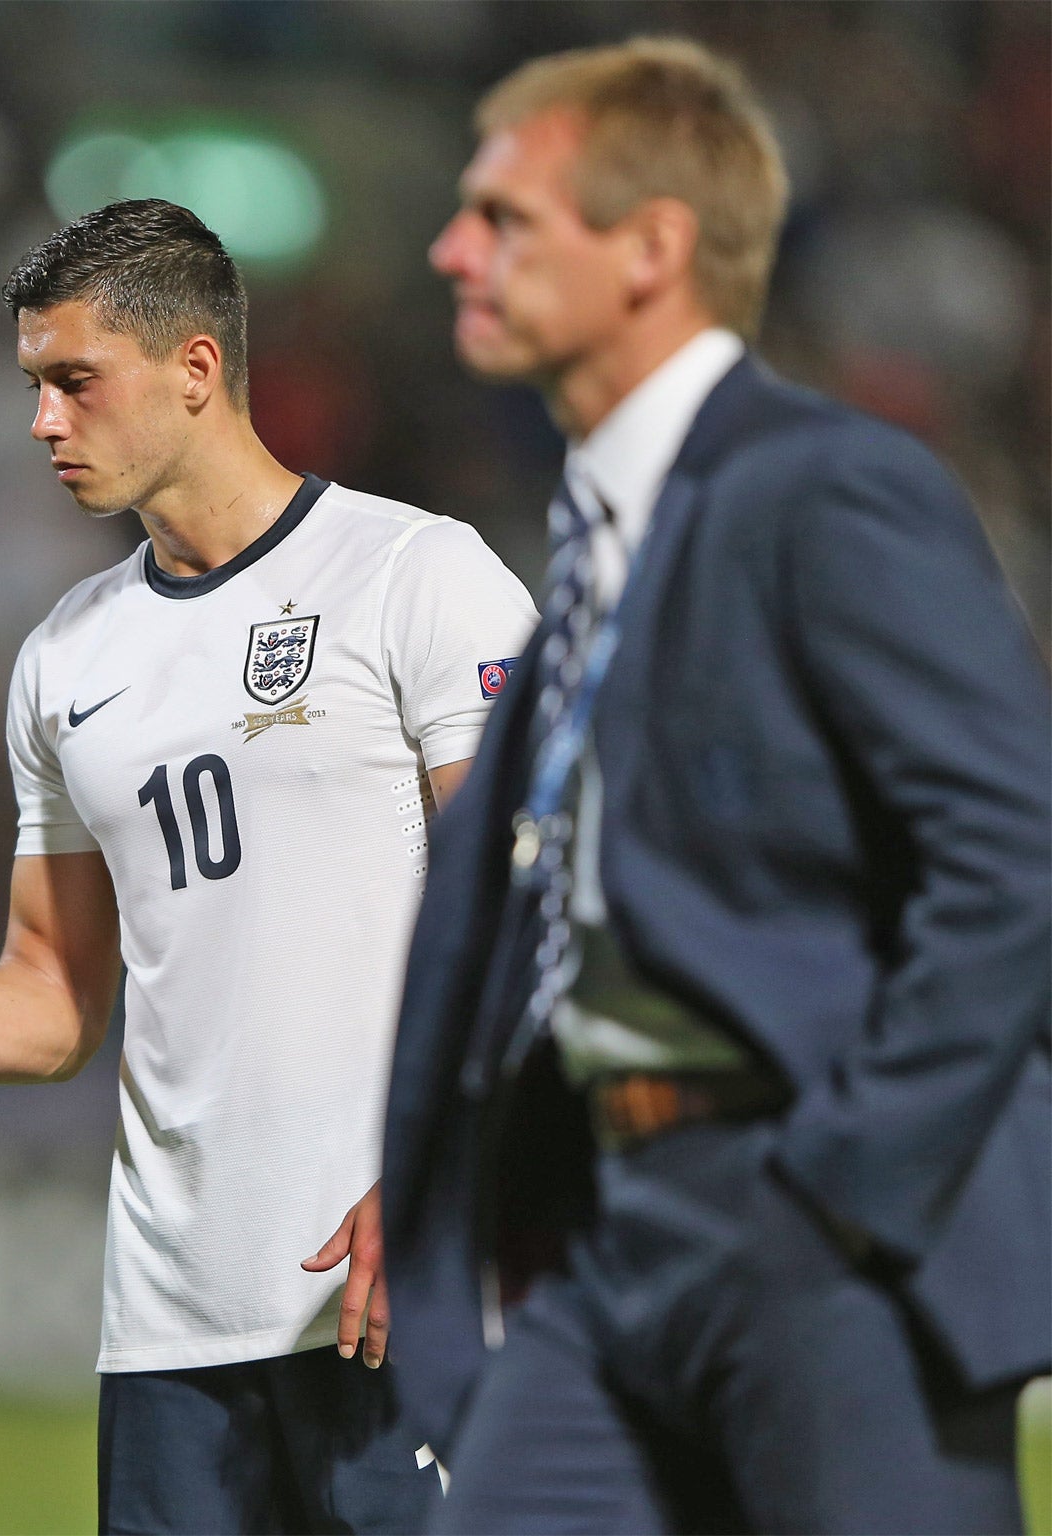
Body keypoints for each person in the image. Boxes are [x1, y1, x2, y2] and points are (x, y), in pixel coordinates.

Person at [378, 37, 1050, 1534]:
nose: (452, 248)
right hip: (617, 1222)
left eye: (505, 219)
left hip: (815, 1218)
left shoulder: (826, 485)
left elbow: (1014, 857)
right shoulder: (602, 541)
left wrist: (849, 1187)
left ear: (652, 251)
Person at [0, 199, 536, 1534]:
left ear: (196, 370)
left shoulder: (418, 578)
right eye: (33, 387)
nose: (41, 425)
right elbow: (53, 995)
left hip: (400, 1286)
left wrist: (442, 1168)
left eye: (74, 381)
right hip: (172, 1333)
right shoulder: (66, 661)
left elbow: (517, 914)